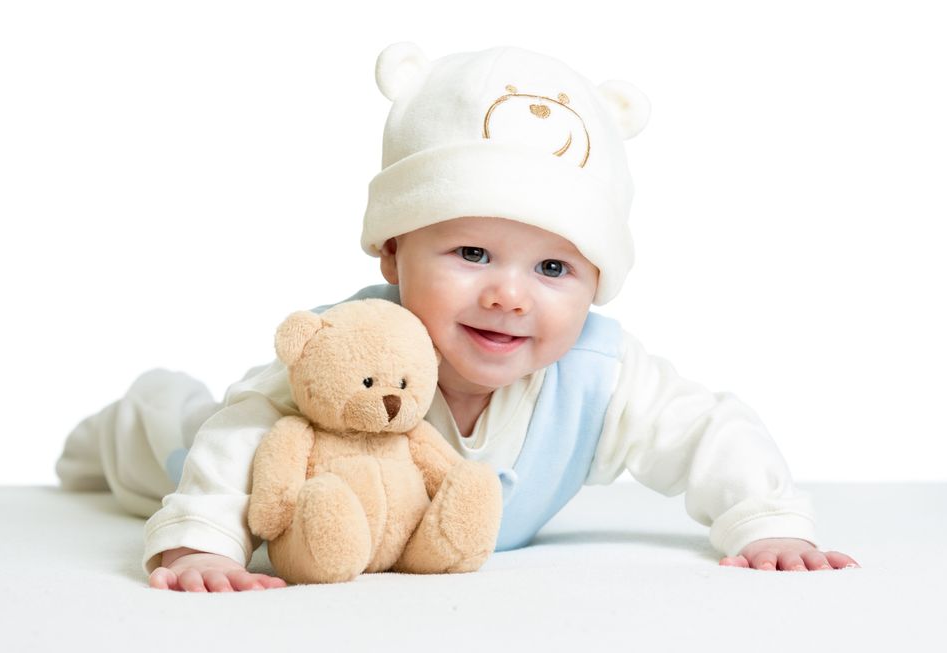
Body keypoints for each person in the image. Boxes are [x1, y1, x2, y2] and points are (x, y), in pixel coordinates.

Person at [56, 42, 859, 592]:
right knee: (177, 436)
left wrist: (766, 522)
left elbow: (705, 429)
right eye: (472, 253)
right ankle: (119, 424)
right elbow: (244, 430)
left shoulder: (596, 375)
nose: (509, 294)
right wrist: (203, 540)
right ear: (393, 252)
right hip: (235, 463)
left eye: (552, 267)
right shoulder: (353, 347)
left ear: (596, 280)